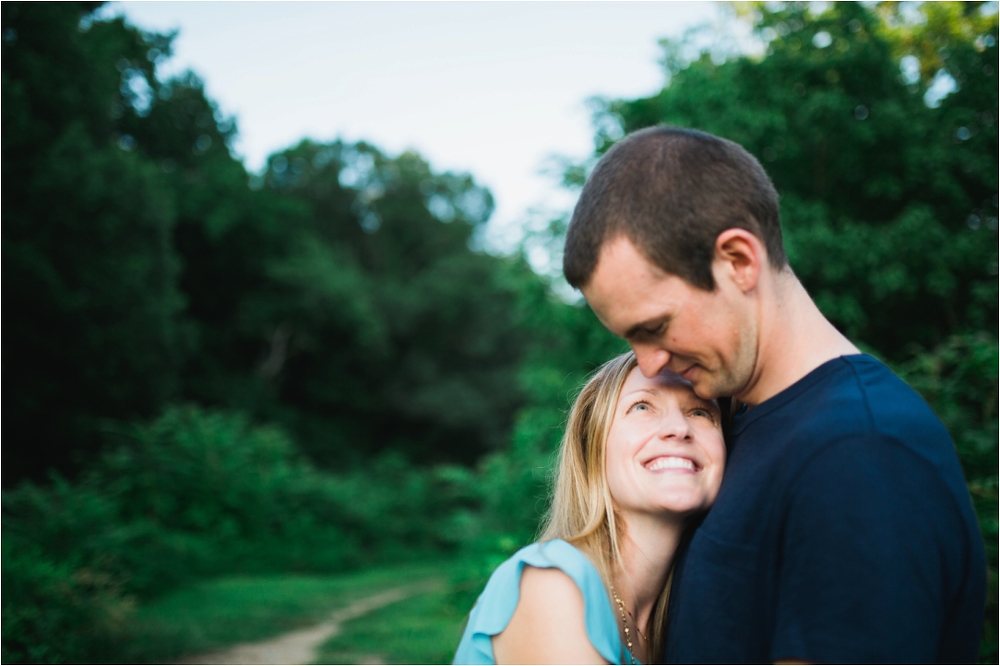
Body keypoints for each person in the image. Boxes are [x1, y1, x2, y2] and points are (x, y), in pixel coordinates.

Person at [562, 125, 987, 663]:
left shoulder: (860, 452)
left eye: (655, 326)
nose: (649, 364)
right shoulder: (728, 427)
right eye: (631, 339)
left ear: (739, 260)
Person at [453, 351, 726, 664]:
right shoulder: (552, 584)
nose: (679, 428)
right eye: (642, 406)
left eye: (701, 412)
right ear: (592, 447)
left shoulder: (685, 623)